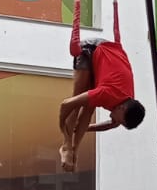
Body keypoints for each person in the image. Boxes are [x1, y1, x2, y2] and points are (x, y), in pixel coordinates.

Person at [58, 38, 146, 171]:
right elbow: (65, 105)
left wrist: (86, 128)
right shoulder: (107, 93)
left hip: (110, 60)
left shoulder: (127, 105)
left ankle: (74, 151)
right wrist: (65, 134)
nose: (116, 122)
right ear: (122, 108)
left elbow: (111, 124)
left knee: (89, 108)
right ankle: (66, 147)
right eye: (120, 121)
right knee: (76, 103)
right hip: (92, 48)